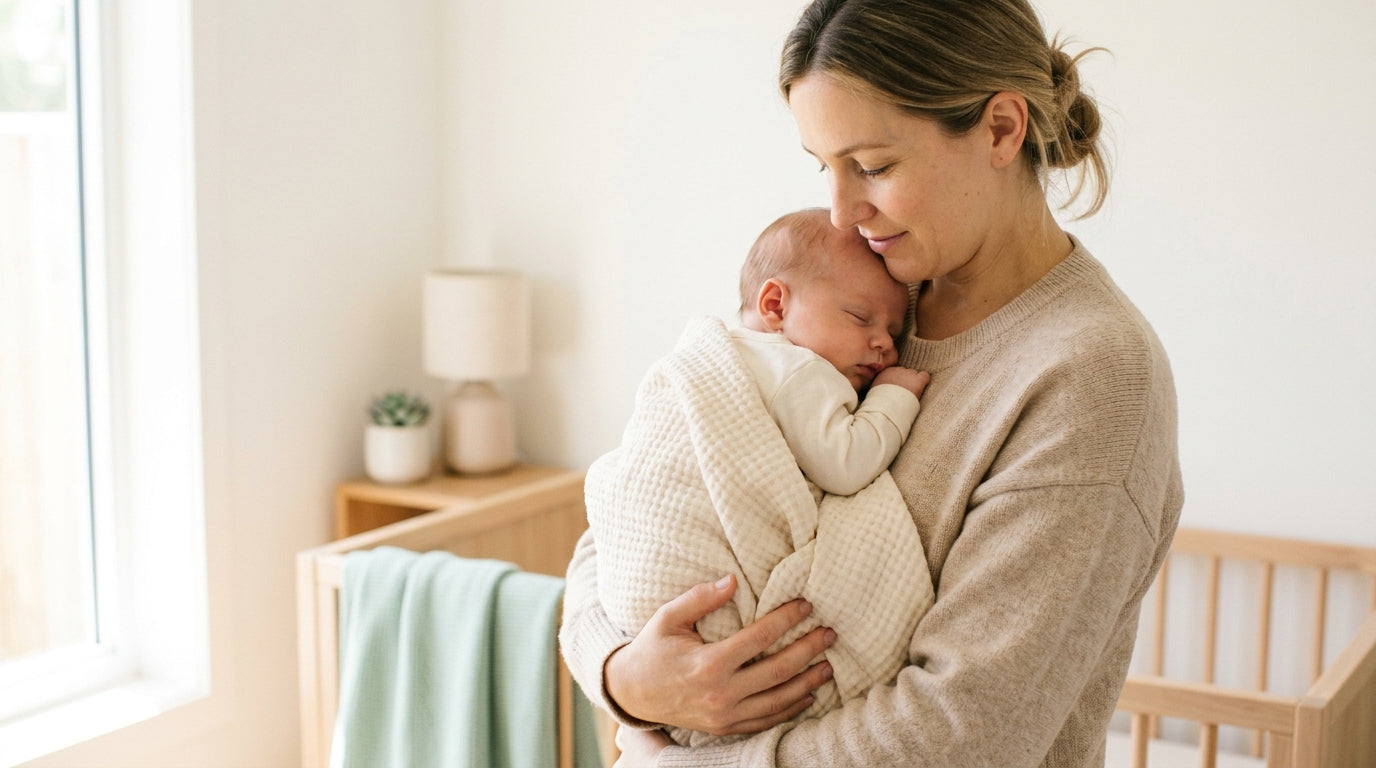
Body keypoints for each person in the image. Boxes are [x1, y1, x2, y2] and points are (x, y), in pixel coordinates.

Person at [560, 0, 1183, 765]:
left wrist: (677, 762)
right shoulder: (862, 296)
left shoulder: (1091, 376)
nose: (842, 211)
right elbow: (644, 498)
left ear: (1000, 129)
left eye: (875, 167)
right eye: (824, 167)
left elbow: (960, 733)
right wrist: (623, 675)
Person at [582, 207, 935, 748]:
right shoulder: (799, 369)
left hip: (643, 614)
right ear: (775, 305)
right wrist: (894, 397)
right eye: (862, 318)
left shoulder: (737, 353)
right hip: (705, 606)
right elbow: (846, 462)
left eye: (892, 329)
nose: (885, 344)